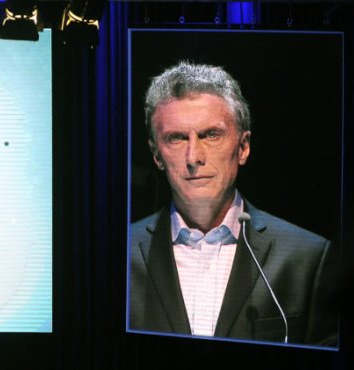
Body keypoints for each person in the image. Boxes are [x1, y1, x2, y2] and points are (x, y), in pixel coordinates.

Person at [129, 61, 338, 346]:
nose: (194, 157)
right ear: (156, 155)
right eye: (176, 138)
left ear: (243, 147)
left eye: (211, 135)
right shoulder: (119, 254)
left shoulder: (307, 258)